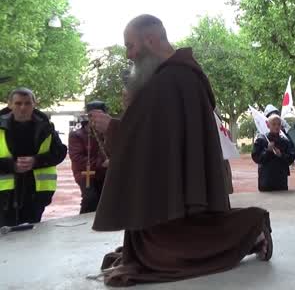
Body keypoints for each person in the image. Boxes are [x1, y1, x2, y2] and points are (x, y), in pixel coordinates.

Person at [88, 15, 273, 287]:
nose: (129, 55)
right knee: (159, 239)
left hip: (175, 176)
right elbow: (158, 132)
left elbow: (145, 133)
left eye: (131, 46)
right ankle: (250, 233)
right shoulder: (174, 76)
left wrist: (113, 128)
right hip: (175, 173)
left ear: (150, 40)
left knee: (165, 249)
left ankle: (252, 225)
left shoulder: (171, 79)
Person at [0, 88, 67, 226]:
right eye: (18, 103)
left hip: (36, 191)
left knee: (31, 234)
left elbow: (60, 152)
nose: (23, 107)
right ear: (10, 104)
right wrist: (12, 165)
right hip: (4, 193)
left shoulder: (46, 127)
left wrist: (36, 161)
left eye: (27, 103)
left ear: (34, 104)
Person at [68, 101, 110, 214]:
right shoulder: (77, 135)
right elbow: (77, 158)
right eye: (92, 115)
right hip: (86, 174)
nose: (96, 118)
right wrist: (101, 164)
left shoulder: (109, 132)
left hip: (106, 173)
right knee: (91, 199)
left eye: (99, 114)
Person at [251, 114, 295, 191]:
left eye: (278, 124)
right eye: (274, 124)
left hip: (281, 180)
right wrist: (267, 151)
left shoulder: (285, 141)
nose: (276, 126)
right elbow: (256, 158)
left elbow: (291, 158)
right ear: (268, 125)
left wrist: (281, 155)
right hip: (266, 180)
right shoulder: (261, 140)